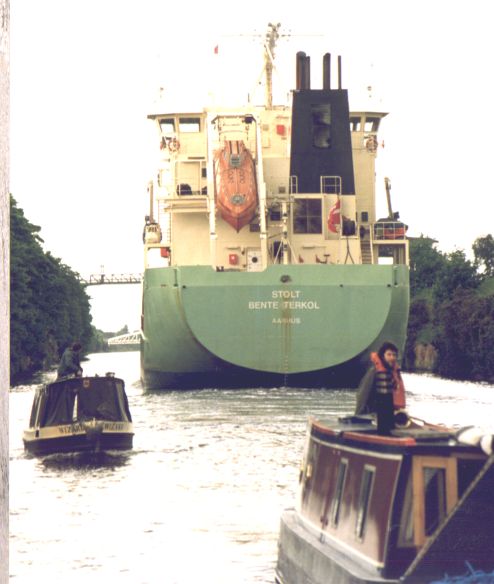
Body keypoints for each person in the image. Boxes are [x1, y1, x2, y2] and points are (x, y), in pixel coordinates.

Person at [354, 341, 406, 435]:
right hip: (375, 412)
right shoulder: (374, 371)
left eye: (394, 355)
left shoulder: (393, 372)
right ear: (383, 355)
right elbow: (363, 394)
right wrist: (359, 415)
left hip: (389, 411)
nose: (392, 358)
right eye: (389, 355)